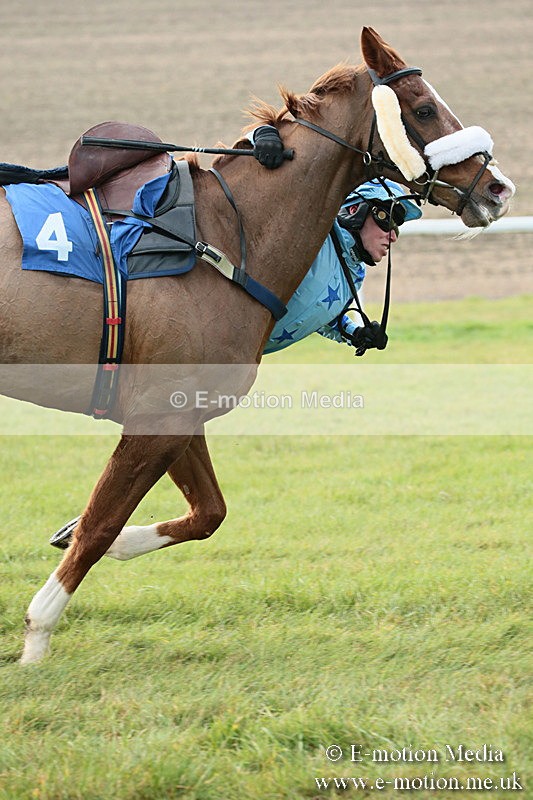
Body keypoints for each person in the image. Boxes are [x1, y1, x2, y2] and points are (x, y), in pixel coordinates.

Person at [249, 125, 422, 356]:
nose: (392, 236)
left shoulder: (355, 273)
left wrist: (354, 333)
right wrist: (260, 134)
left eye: (397, 228)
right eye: (387, 220)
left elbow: (318, 313)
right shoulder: (310, 229)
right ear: (354, 210)